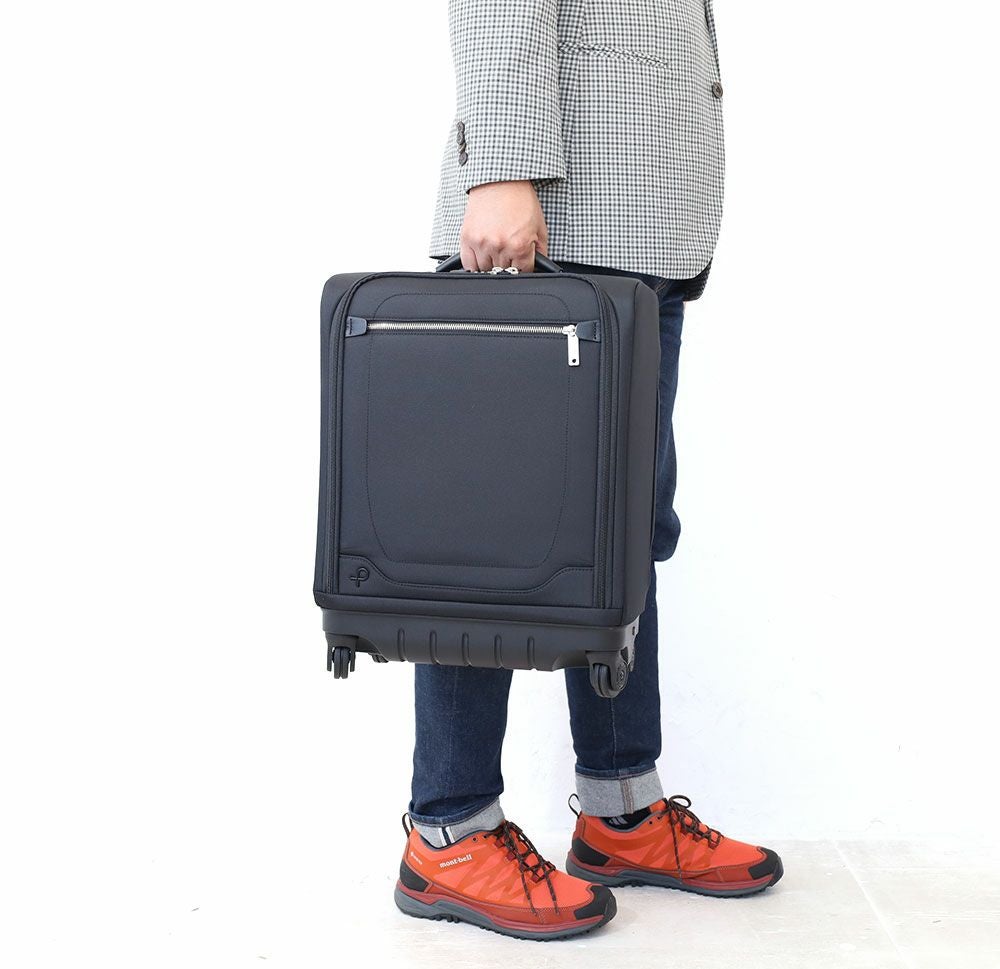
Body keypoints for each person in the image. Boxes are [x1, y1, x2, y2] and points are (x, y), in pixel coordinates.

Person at [394, 1, 783, 940]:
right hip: (551, 220)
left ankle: (621, 812)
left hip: (635, 229)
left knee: (621, 535)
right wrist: (501, 167)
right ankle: (451, 828)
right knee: (490, 537)